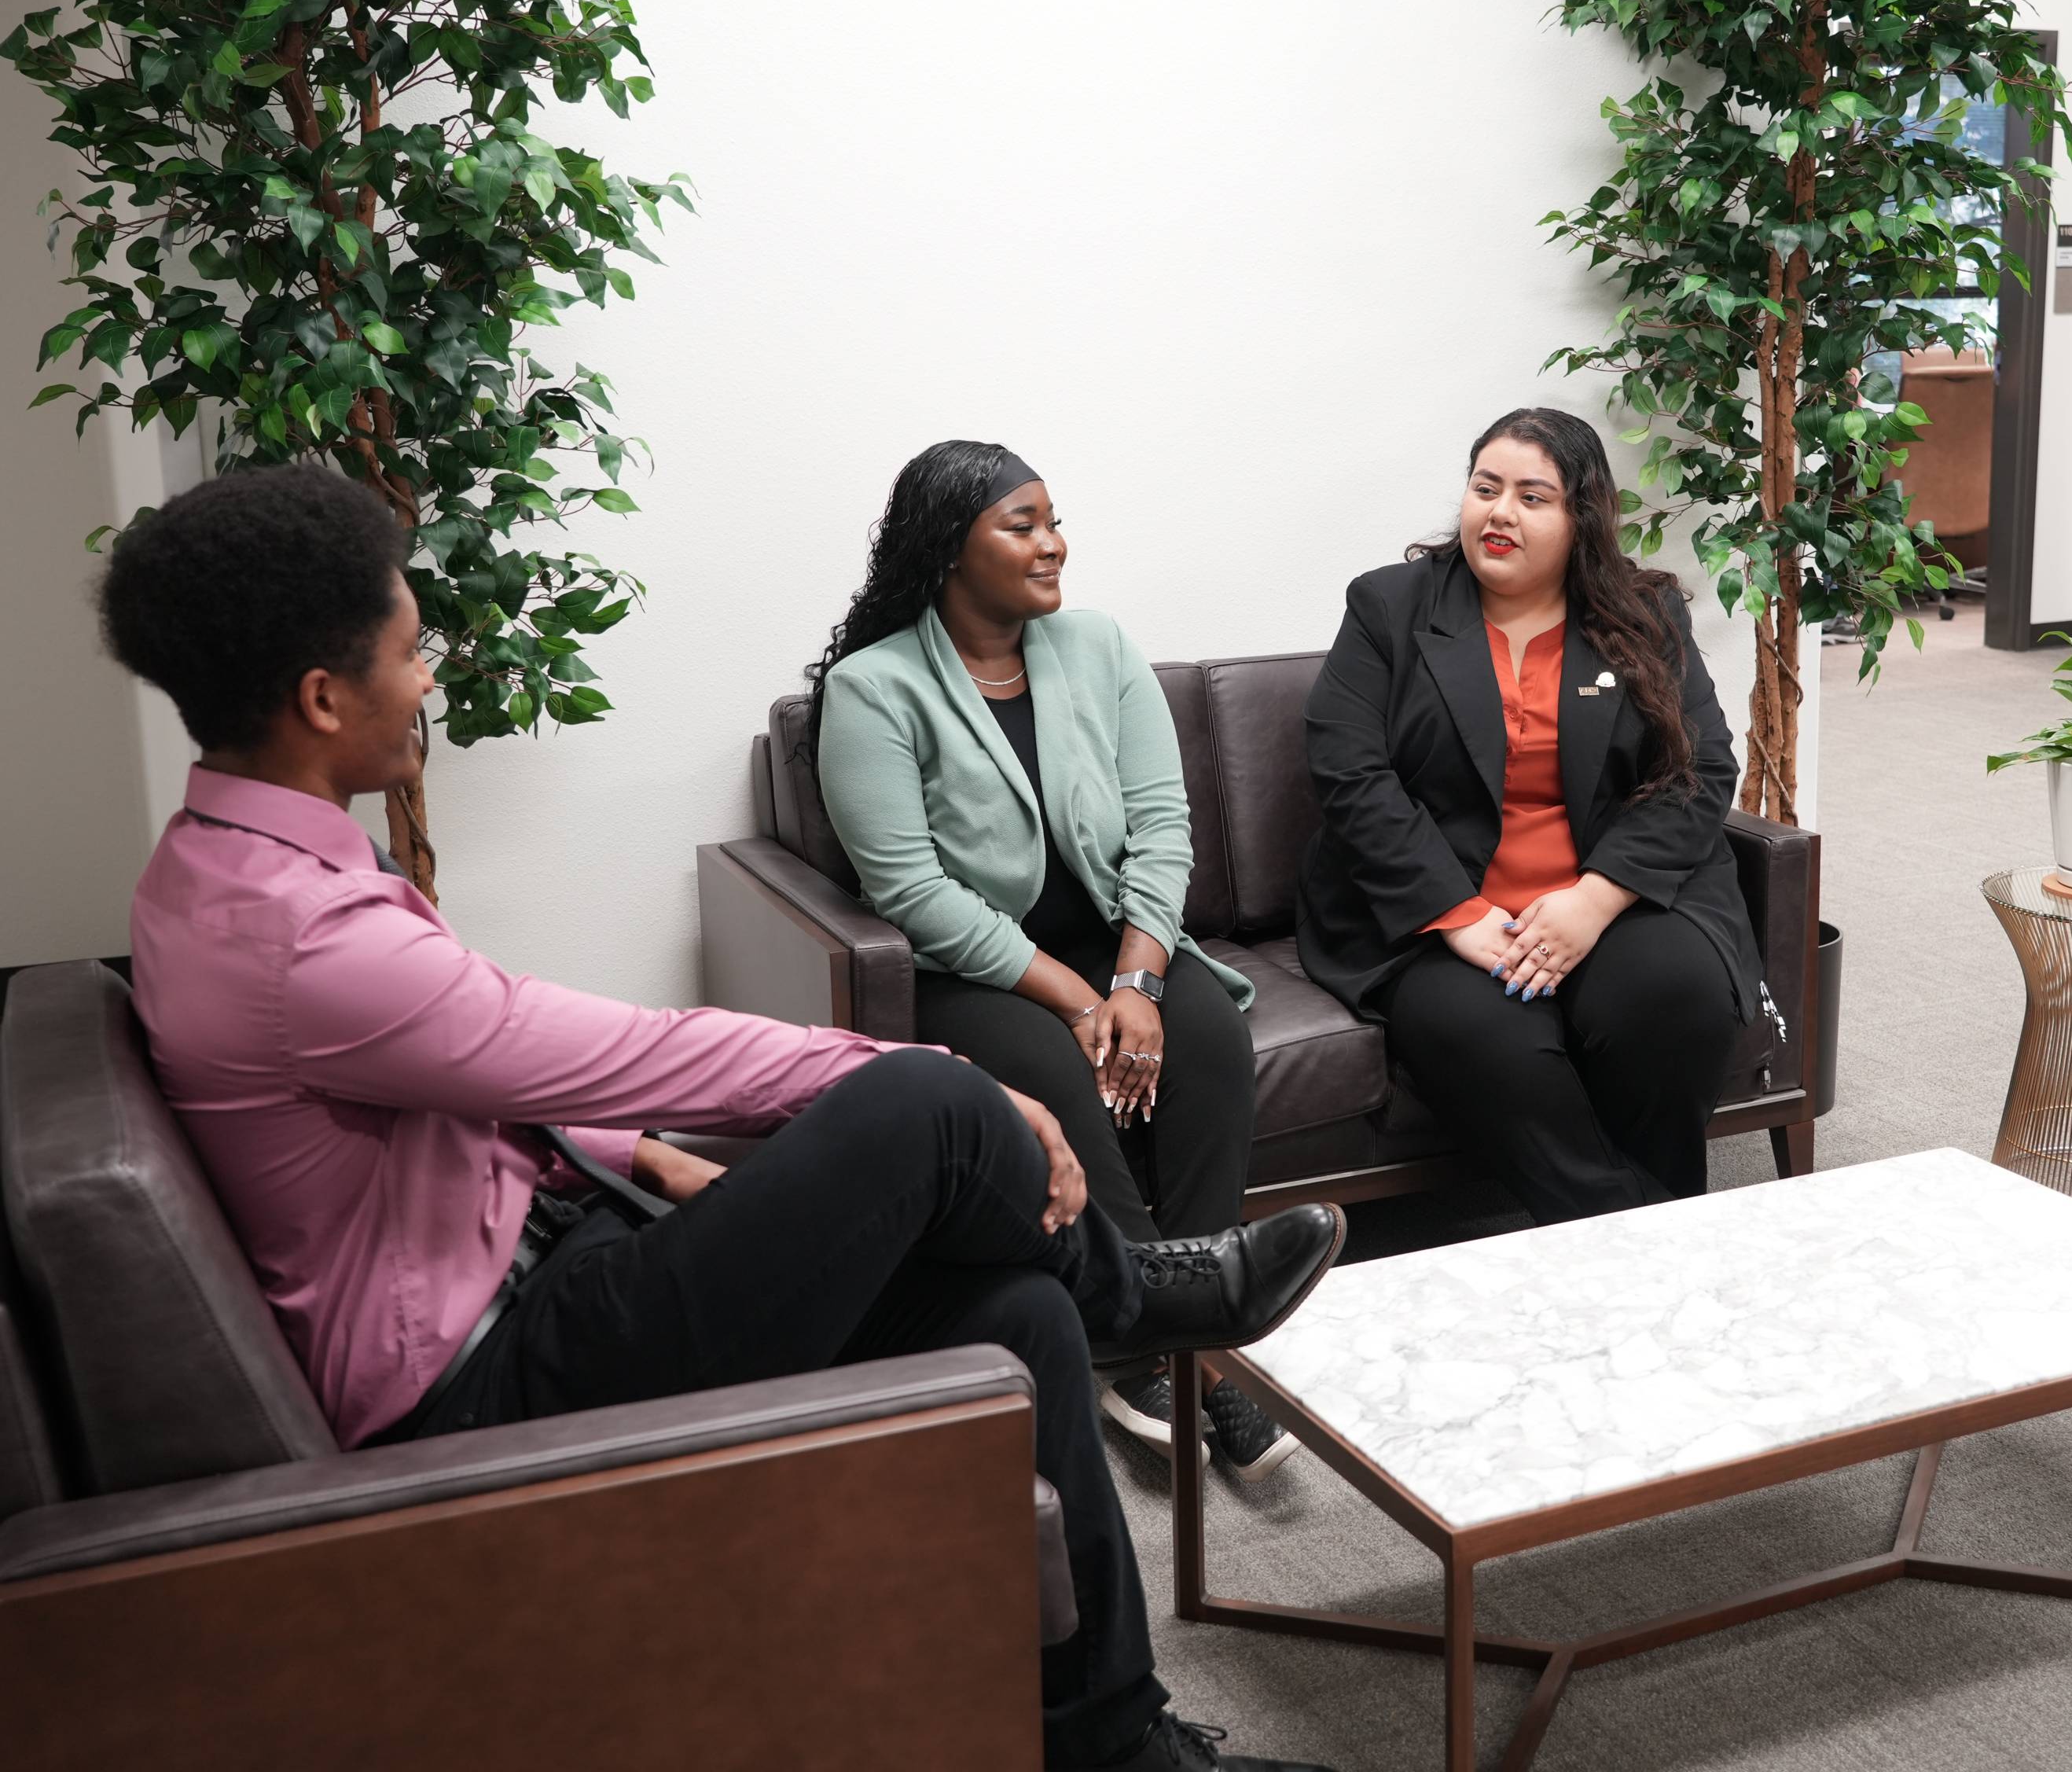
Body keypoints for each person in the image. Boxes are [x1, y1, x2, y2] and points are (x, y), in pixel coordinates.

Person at [101, 464, 1342, 1772]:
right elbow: (606, 1049)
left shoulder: (229, 872)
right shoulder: (303, 935)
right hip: (486, 1377)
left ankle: (1118, 1748)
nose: (428, 682)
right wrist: (956, 1088)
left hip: (549, 1264)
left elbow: (461, 1085)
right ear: (320, 697)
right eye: (413, 652)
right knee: (924, 1092)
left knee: (1021, 1322)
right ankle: (1141, 1299)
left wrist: (650, 1160)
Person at [807, 443, 1288, 1481]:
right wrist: (1078, 998)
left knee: (1206, 1041)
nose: (1051, 544)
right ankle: (1162, 1341)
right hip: (980, 964)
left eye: (1052, 520)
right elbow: (912, 893)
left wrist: (1139, 980)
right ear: (948, 547)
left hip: (1119, 945)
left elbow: (1163, 823)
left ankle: (1179, 1342)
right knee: (1069, 1074)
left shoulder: (1099, 647)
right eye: (1019, 525)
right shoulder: (873, 688)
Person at [1296, 407, 1762, 1222]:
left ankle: (1647, 1232)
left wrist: (1595, 898)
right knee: (1485, 1035)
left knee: (1669, 997)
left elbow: (1702, 768)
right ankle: (1651, 1240)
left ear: (1582, 518)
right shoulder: (1389, 608)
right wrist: (1457, 914)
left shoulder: (1644, 614)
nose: (1499, 512)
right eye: (1486, 488)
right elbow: (1350, 774)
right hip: (1447, 917)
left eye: (1532, 496)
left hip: (1614, 898)